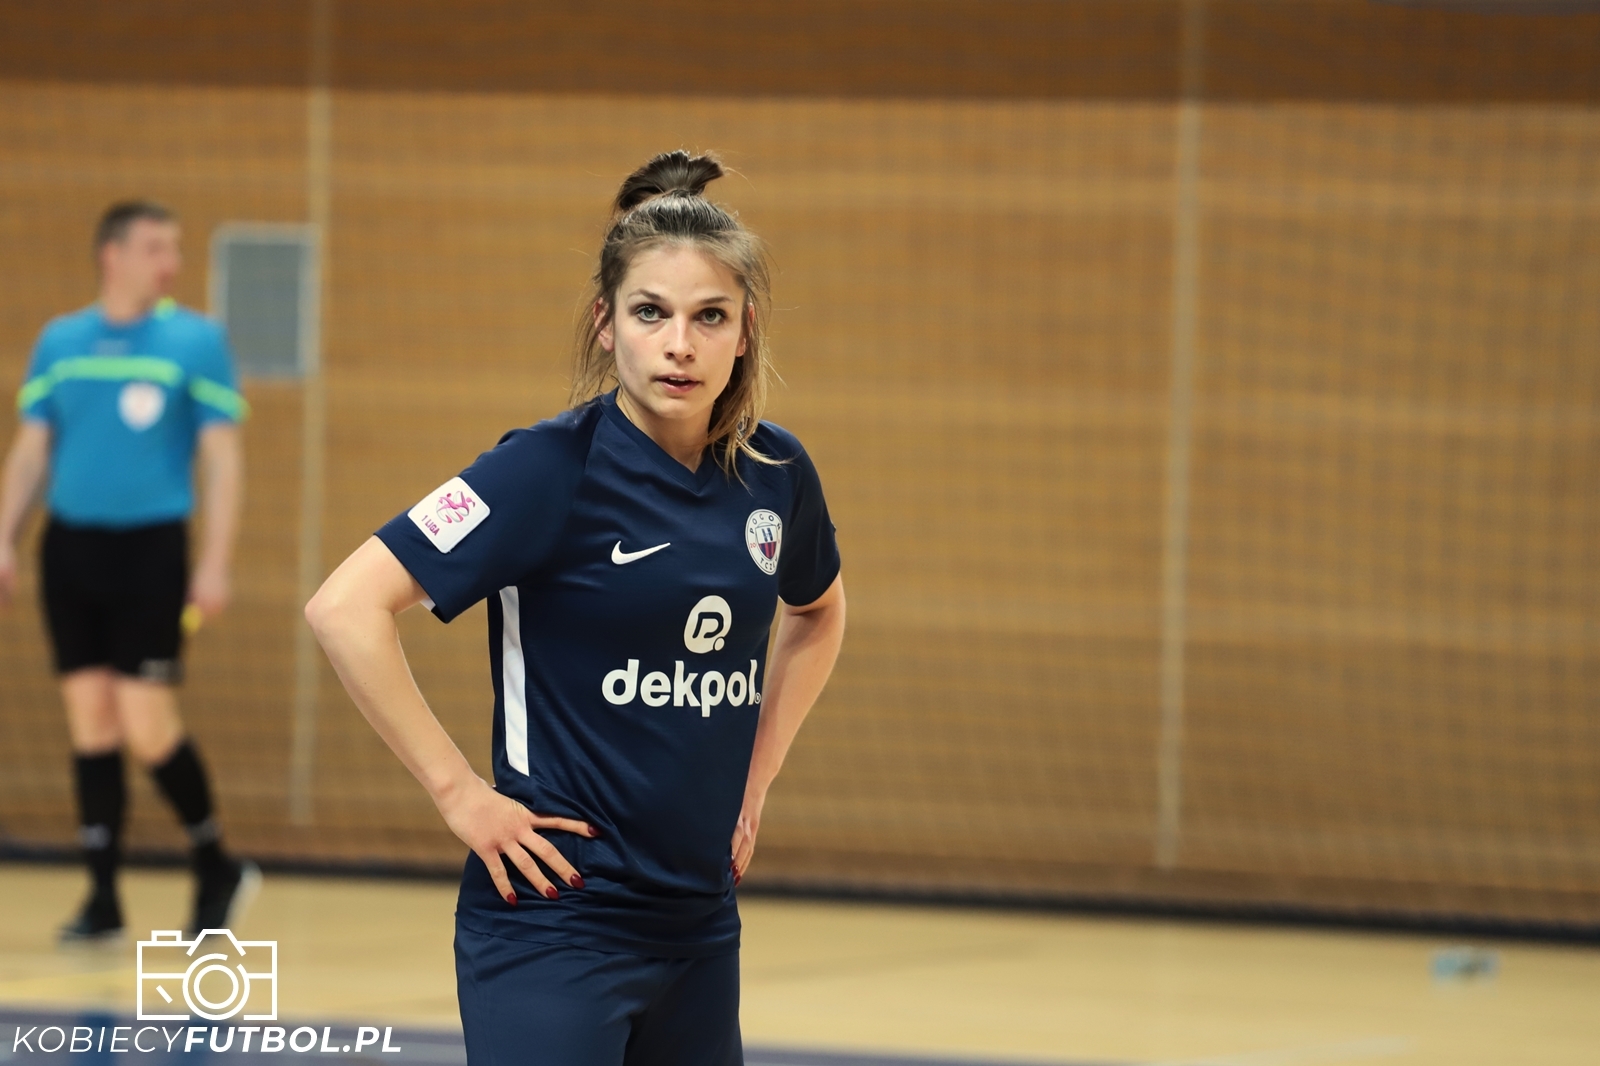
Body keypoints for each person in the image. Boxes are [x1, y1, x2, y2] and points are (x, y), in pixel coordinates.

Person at [307, 151, 846, 1065]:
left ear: (745, 331)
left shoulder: (775, 472)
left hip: (700, 927)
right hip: (555, 924)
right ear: (605, 324)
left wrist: (756, 779)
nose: (680, 344)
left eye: (709, 316)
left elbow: (819, 613)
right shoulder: (546, 468)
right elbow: (345, 607)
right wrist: (460, 796)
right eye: (651, 313)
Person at [0, 200, 257, 942]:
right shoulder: (61, 341)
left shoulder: (195, 340)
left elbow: (223, 458)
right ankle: (103, 897)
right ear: (111, 254)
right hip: (69, 550)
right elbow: (32, 448)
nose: (170, 263)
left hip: (150, 552)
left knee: (147, 725)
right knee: (91, 723)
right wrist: (5, 536)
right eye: (154, 247)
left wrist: (215, 561)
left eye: (175, 248)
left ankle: (215, 864)